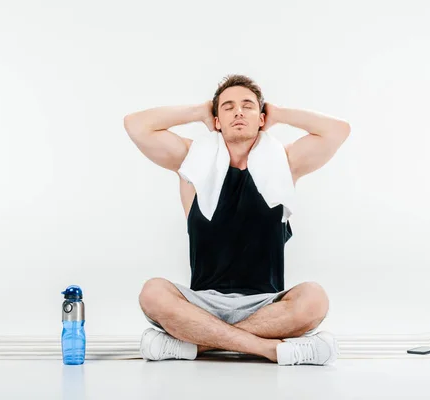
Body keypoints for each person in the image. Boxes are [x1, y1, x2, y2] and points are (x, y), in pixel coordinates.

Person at [123, 74, 350, 365]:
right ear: (217, 120)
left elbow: (338, 131)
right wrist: (199, 111)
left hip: (266, 306)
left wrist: (279, 114)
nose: (238, 111)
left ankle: (198, 346)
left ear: (261, 118)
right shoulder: (192, 163)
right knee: (153, 292)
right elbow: (135, 125)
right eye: (228, 107)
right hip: (201, 305)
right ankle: (270, 349)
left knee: (314, 299)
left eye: (248, 105)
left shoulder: (285, 164)